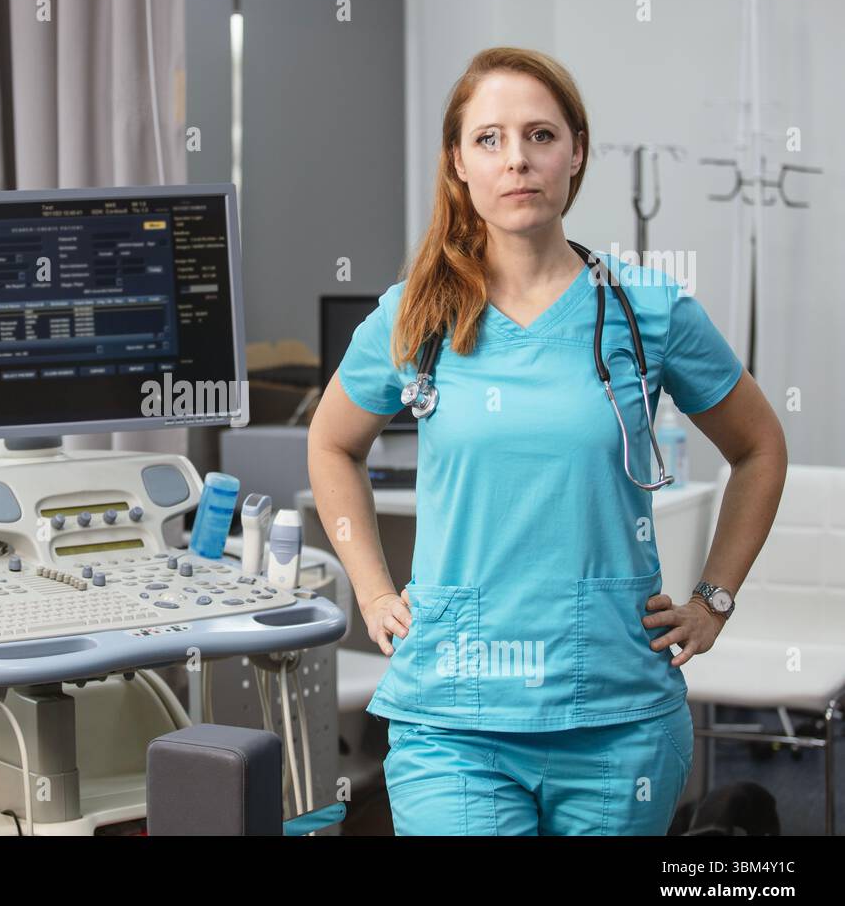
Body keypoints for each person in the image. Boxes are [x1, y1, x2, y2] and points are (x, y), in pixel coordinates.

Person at [307, 47, 788, 835]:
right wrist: (372, 591)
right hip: (454, 717)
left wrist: (714, 600)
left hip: (617, 715)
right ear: (458, 162)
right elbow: (332, 446)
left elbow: (761, 447)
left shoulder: (649, 309)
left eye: (539, 135)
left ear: (576, 152)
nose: (517, 159)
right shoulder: (412, 316)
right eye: (489, 139)